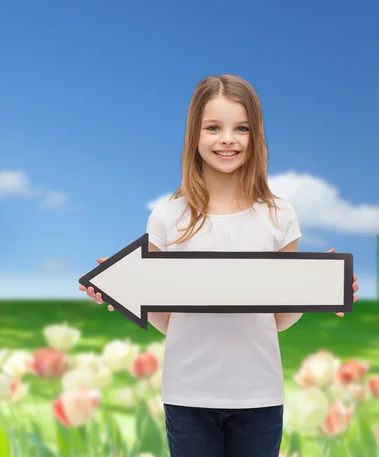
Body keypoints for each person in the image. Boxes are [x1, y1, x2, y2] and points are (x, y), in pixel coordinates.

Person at [79, 74, 360, 457]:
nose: (227, 139)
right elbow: (166, 316)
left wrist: (319, 289)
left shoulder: (279, 216)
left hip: (259, 391)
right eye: (214, 127)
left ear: (255, 136)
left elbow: (278, 318)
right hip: (187, 391)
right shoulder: (167, 216)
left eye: (240, 128)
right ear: (195, 134)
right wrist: (121, 291)